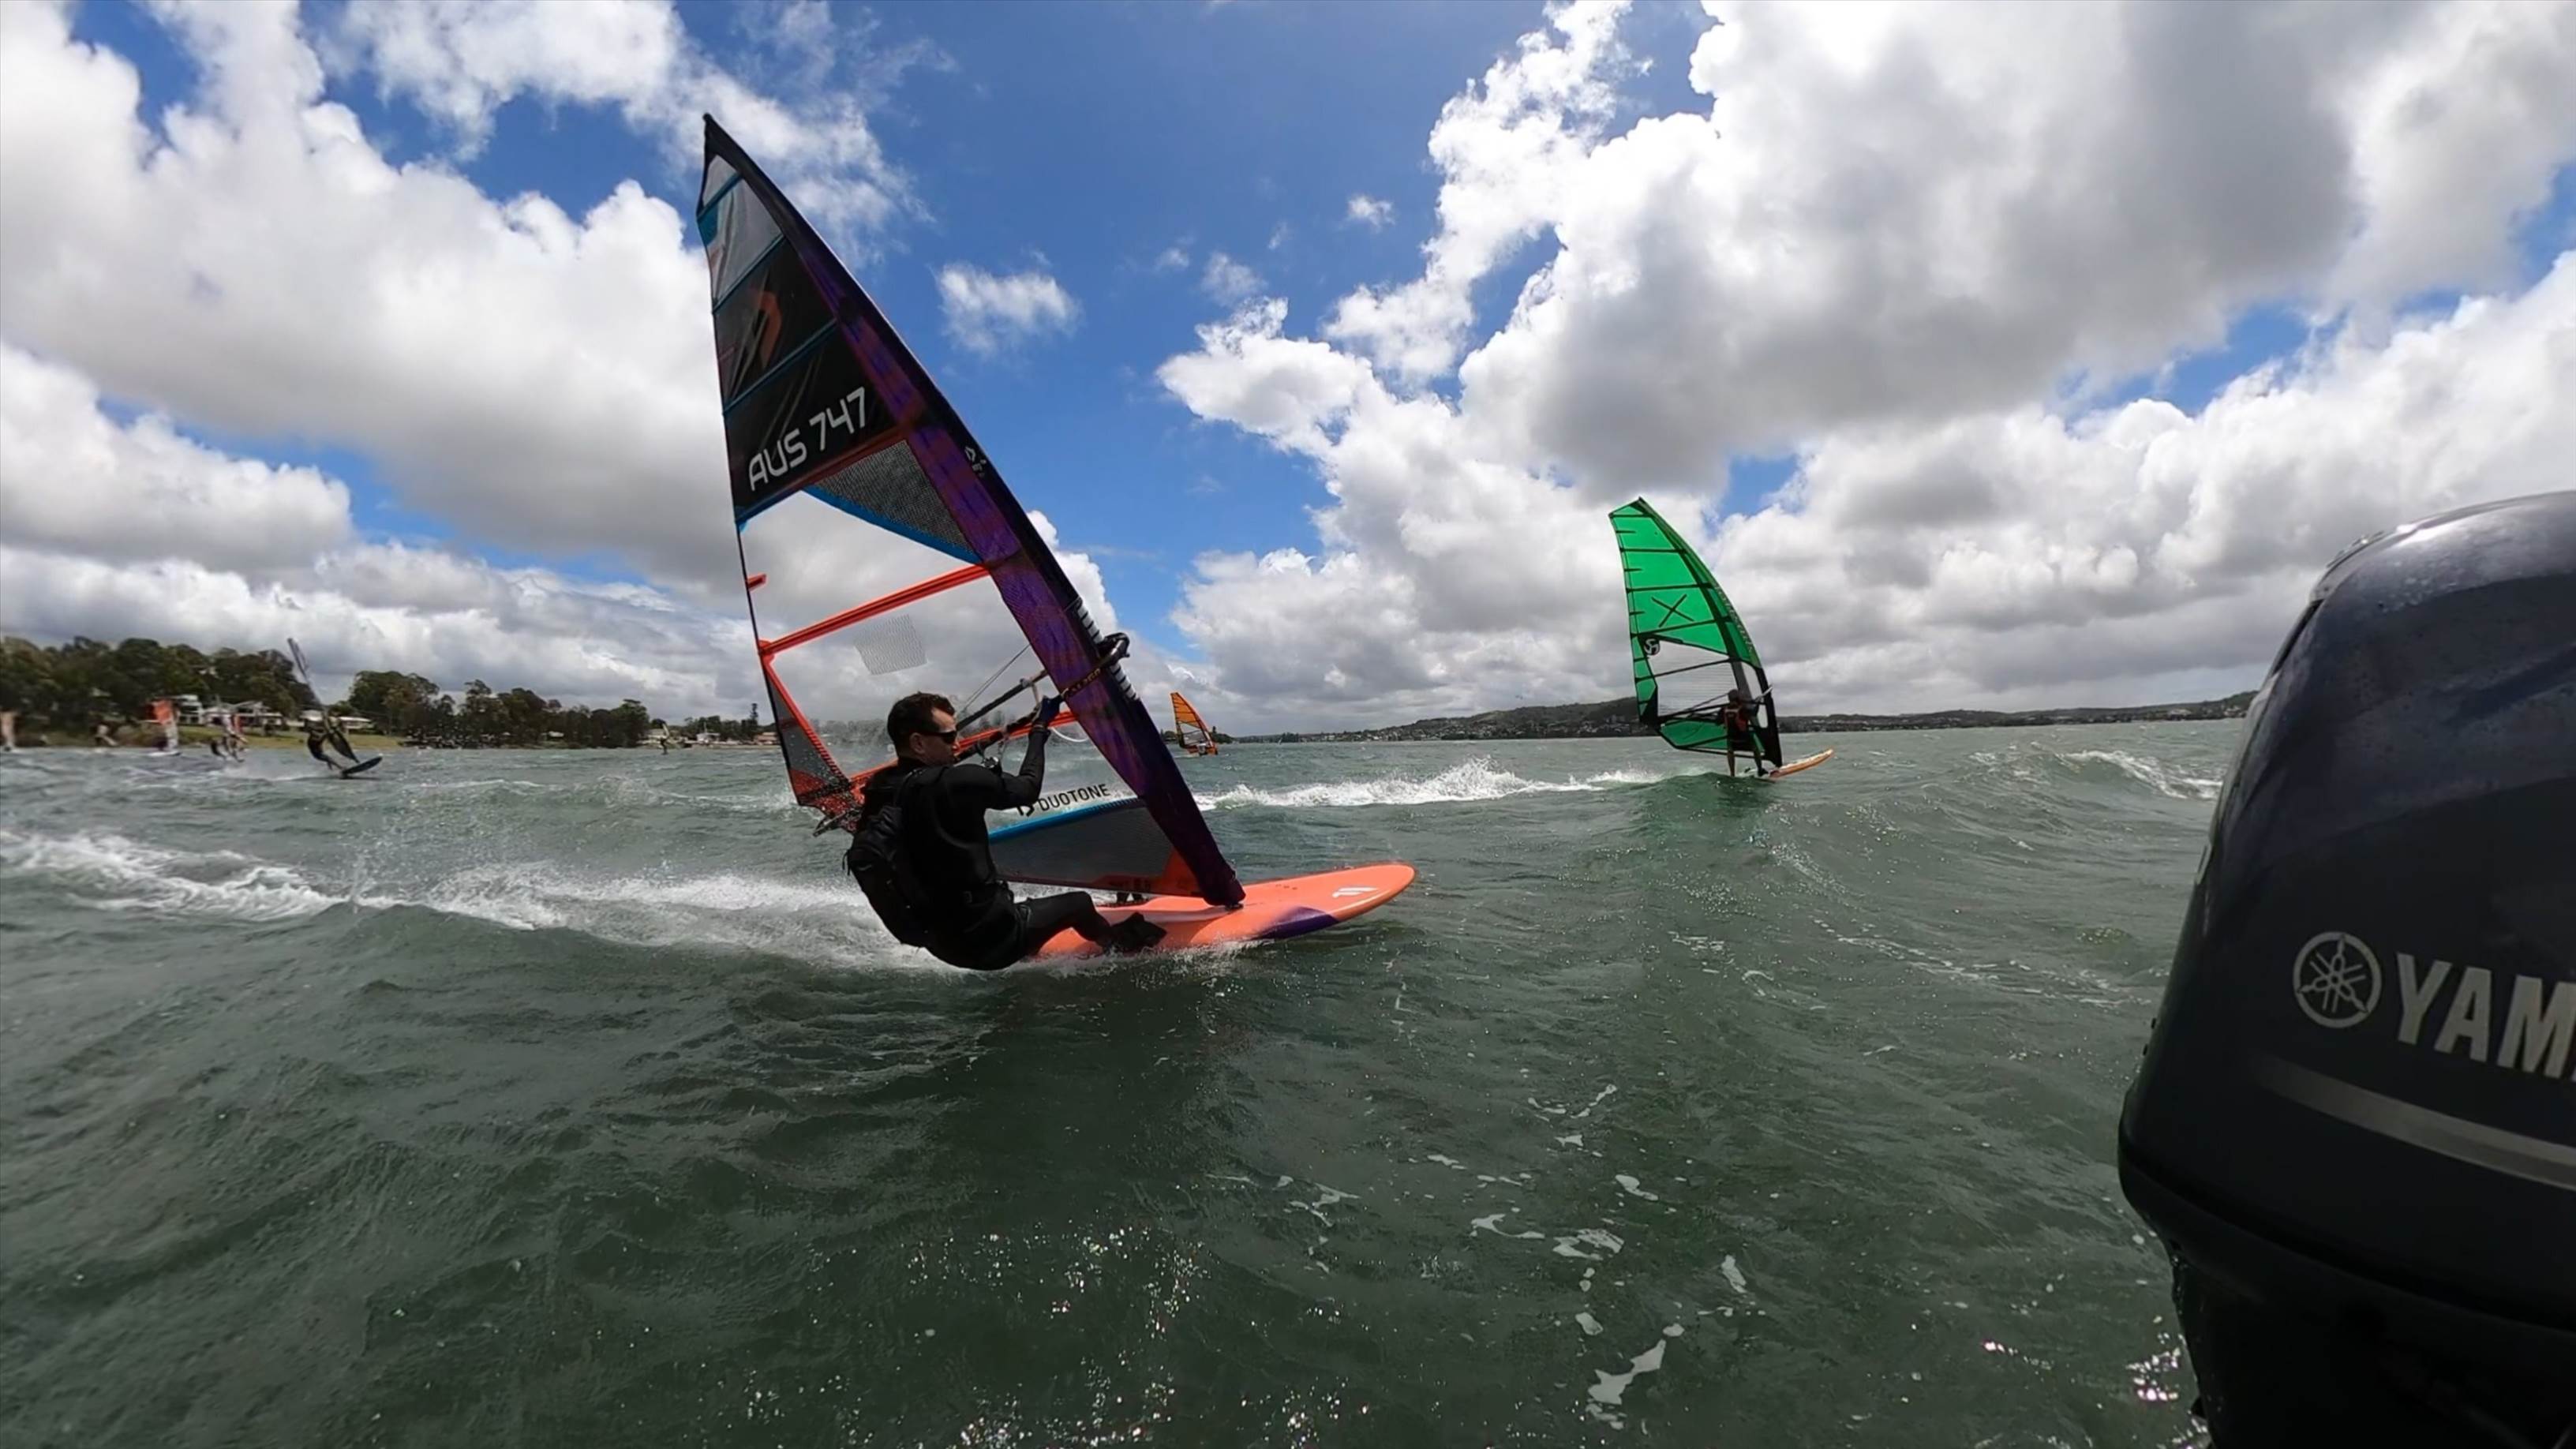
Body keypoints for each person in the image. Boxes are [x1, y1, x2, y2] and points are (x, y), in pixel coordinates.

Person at [851, 691, 1163, 969]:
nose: (957, 744)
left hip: (942, 943)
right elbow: (1028, 788)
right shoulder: (959, 781)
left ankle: (1030, 945)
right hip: (992, 940)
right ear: (918, 742)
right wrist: (1039, 730)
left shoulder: (880, 790)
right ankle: (1118, 948)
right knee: (1079, 903)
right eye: (948, 738)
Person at [1713, 687, 1769, 777]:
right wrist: (1757, 703)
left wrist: (1721, 716)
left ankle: (1732, 774)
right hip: (1745, 738)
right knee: (1755, 749)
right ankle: (1760, 769)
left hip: (1732, 739)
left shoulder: (1724, 709)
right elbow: (1754, 713)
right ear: (1738, 698)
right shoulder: (1743, 709)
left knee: (1730, 750)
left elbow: (1717, 722)